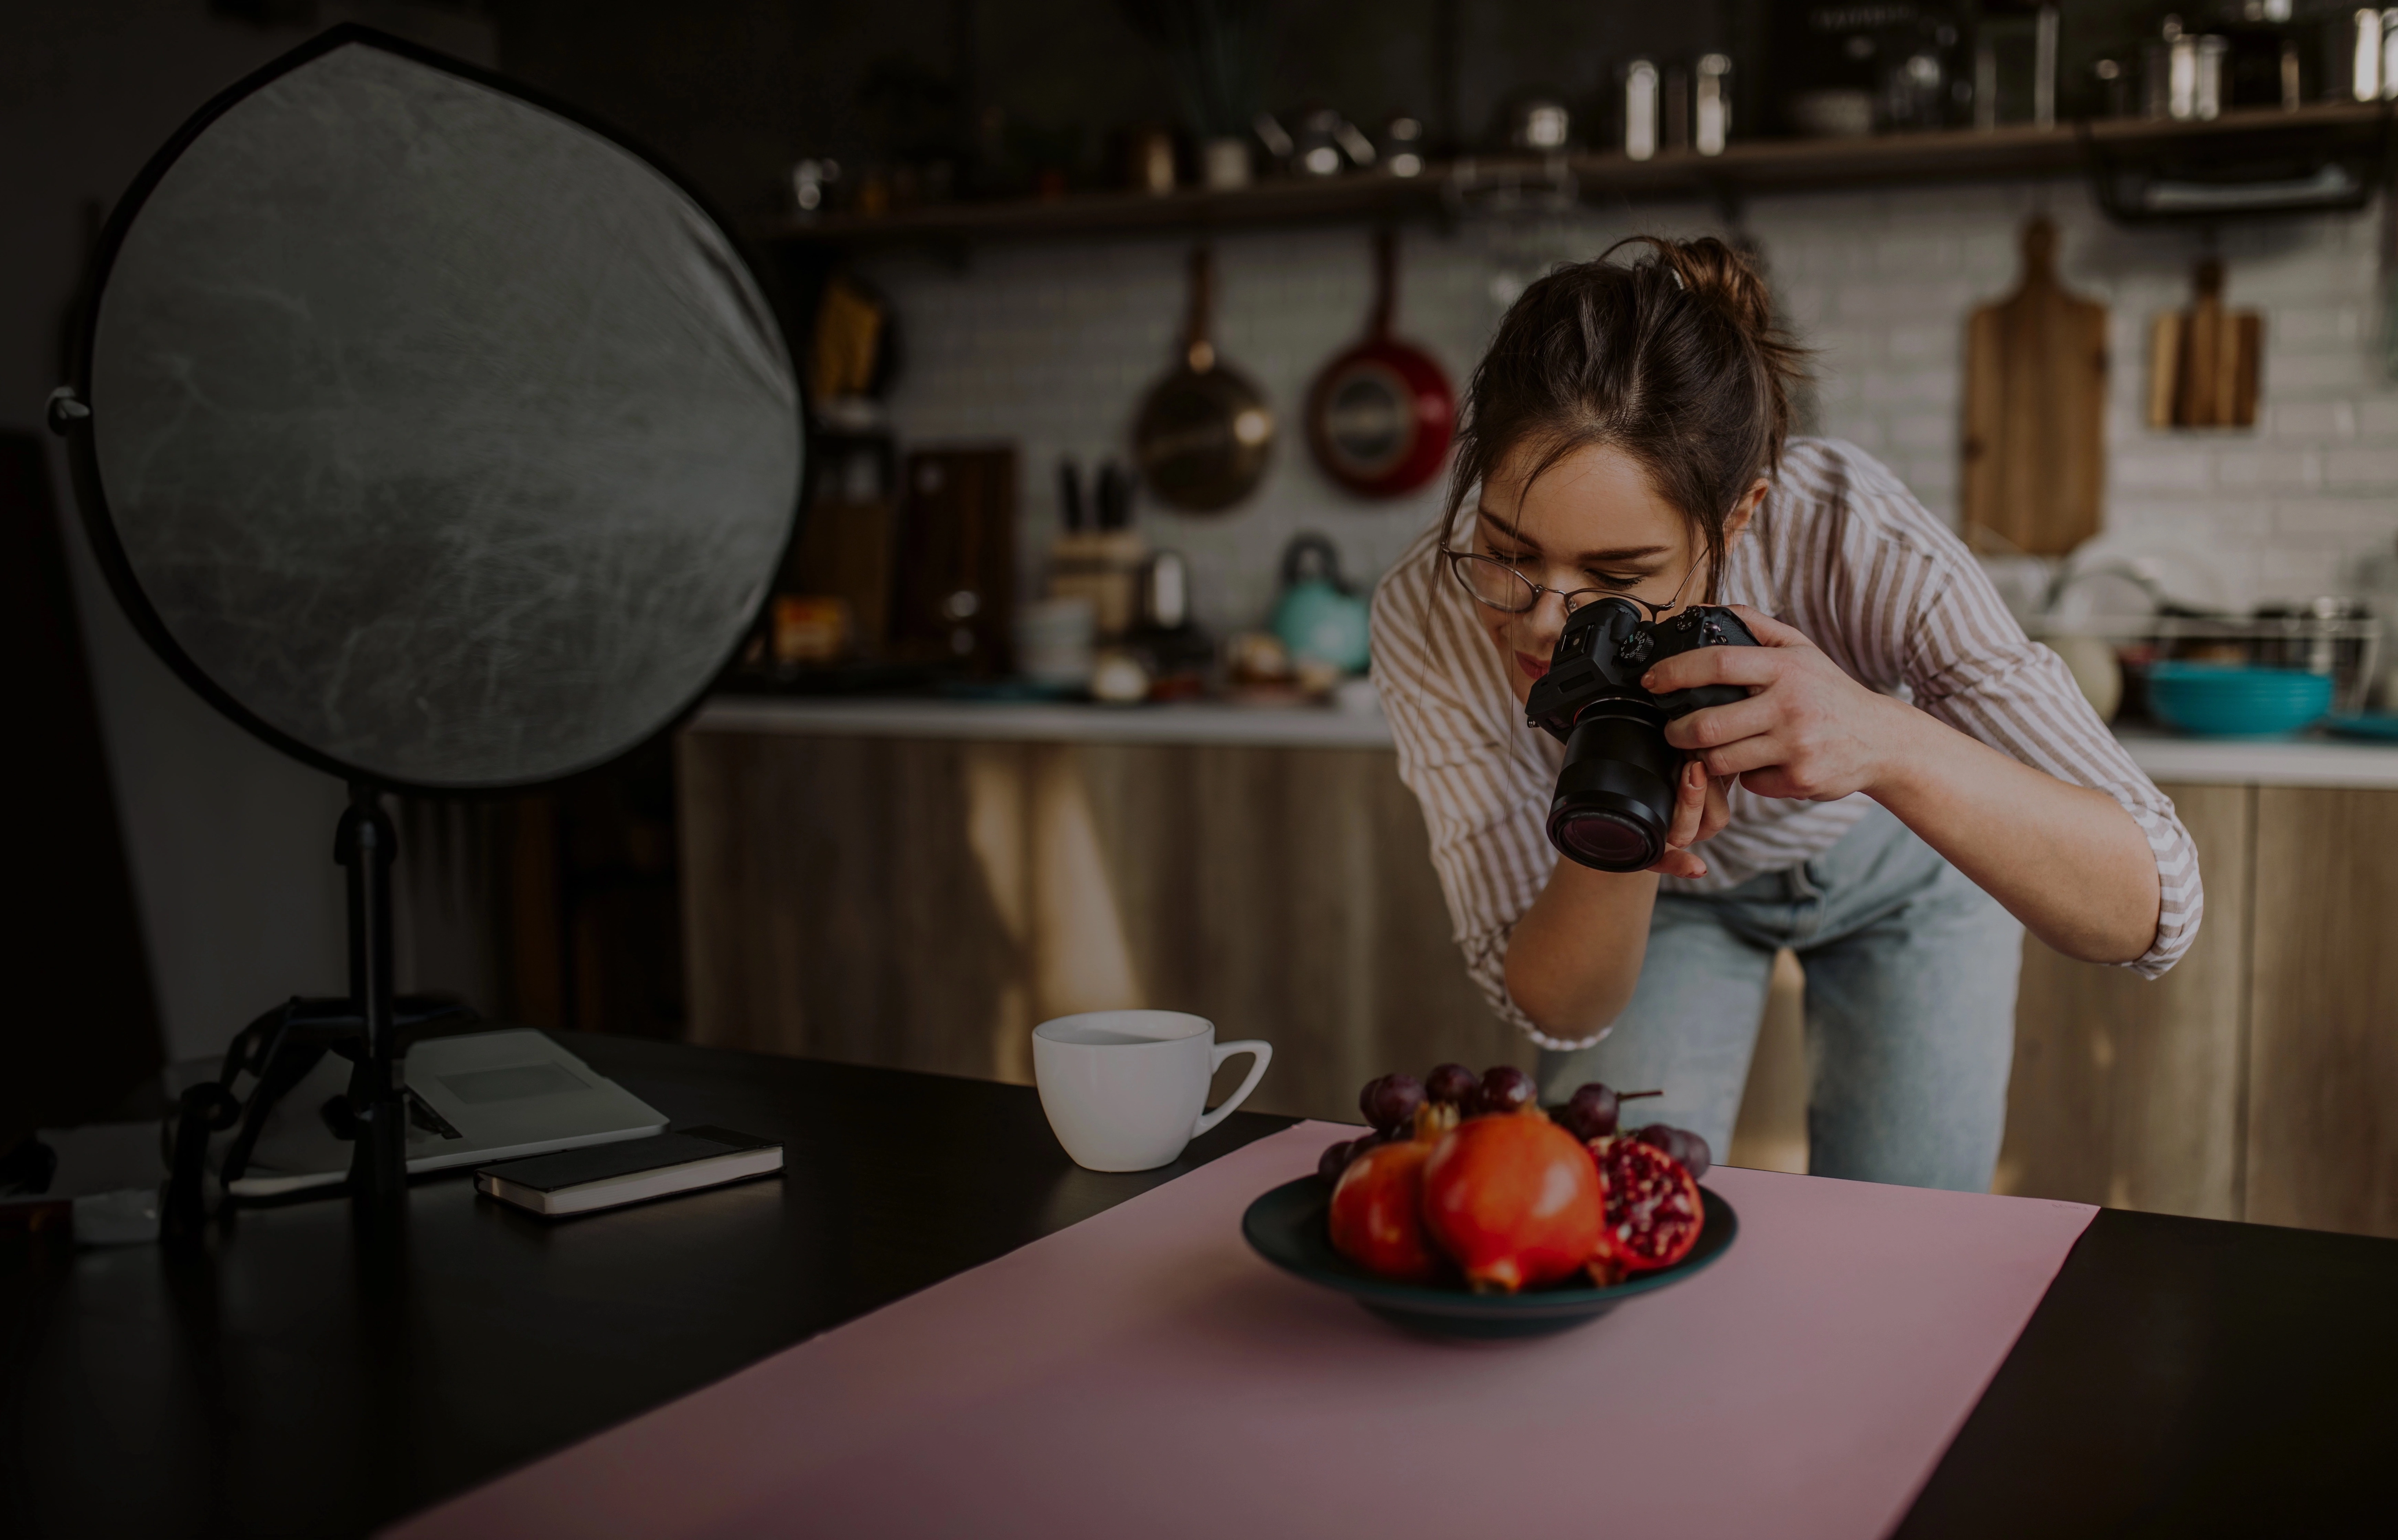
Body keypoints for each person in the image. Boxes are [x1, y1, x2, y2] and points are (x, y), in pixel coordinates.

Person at [1369, 236, 2198, 1192]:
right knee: (1606, 1206)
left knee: (1902, 1244)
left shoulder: (1847, 529)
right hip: (1680, 899)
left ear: (1739, 517)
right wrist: (1630, 832)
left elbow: (2155, 905)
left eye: (1618, 576)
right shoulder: (1426, 609)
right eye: (1508, 551)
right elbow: (1558, 1006)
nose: (1549, 623)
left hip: (1903, 874)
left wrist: (1880, 740)